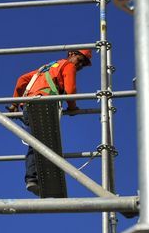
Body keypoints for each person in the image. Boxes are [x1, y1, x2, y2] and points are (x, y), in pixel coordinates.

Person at [9, 49, 92, 195]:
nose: (79, 66)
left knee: (35, 143)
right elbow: (70, 90)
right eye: (80, 60)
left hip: (28, 106)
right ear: (71, 54)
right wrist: (72, 108)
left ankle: (33, 179)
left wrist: (15, 103)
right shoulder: (68, 66)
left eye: (83, 65)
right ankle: (33, 178)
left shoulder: (46, 68)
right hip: (44, 104)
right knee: (43, 142)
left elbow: (22, 79)